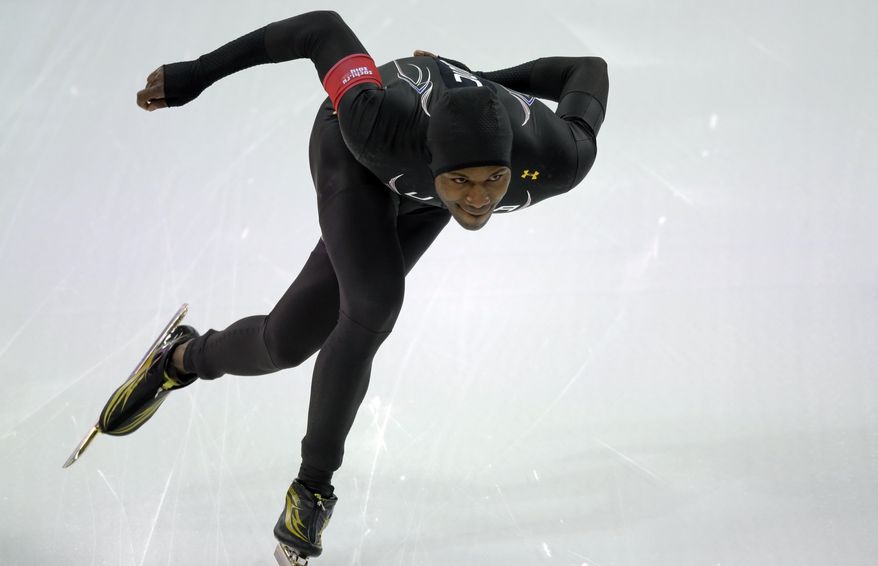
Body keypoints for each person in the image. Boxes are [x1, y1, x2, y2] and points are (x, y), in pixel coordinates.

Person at [129, 10, 608, 562]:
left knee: (283, 342)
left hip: (422, 193)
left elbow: (587, 67)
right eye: (462, 182)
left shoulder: (558, 157)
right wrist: (197, 73)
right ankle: (311, 492)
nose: (478, 200)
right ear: (435, 161)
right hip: (353, 158)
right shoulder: (373, 116)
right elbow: (322, 30)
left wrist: (477, 78)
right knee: (374, 304)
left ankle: (181, 358)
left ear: (511, 166)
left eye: (492, 181)